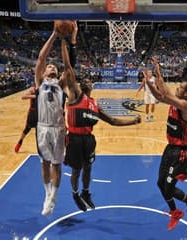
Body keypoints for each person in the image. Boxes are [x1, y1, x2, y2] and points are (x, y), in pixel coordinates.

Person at [60, 35, 142, 212]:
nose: (87, 80)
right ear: (81, 85)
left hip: (88, 139)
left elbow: (112, 121)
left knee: (88, 168)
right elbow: (68, 69)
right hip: (73, 139)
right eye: (85, 80)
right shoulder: (75, 95)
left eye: (90, 79)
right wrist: (64, 44)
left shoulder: (95, 104)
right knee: (76, 170)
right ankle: (75, 194)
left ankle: (86, 192)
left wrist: (132, 121)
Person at [145, 56, 187, 231]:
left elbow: (166, 94)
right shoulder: (176, 101)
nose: (177, 87)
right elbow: (160, 95)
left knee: (168, 187)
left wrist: (157, 74)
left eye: (181, 87)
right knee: (160, 184)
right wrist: (150, 80)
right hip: (170, 149)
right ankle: (179, 209)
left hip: (181, 154)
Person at [34, 25, 68, 216]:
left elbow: (68, 66)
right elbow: (41, 58)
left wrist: (66, 41)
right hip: (43, 128)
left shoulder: (61, 83)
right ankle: (47, 194)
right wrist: (55, 34)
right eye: (49, 66)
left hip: (59, 128)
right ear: (45, 73)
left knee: (56, 164)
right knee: (44, 164)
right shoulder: (40, 83)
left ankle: (53, 196)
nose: (51, 66)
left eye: (54, 66)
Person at [14, 85, 37, 153]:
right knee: (27, 129)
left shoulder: (45, 87)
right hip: (33, 112)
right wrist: (34, 96)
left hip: (42, 113)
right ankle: (20, 142)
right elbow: (23, 97)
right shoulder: (33, 89)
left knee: (40, 131)